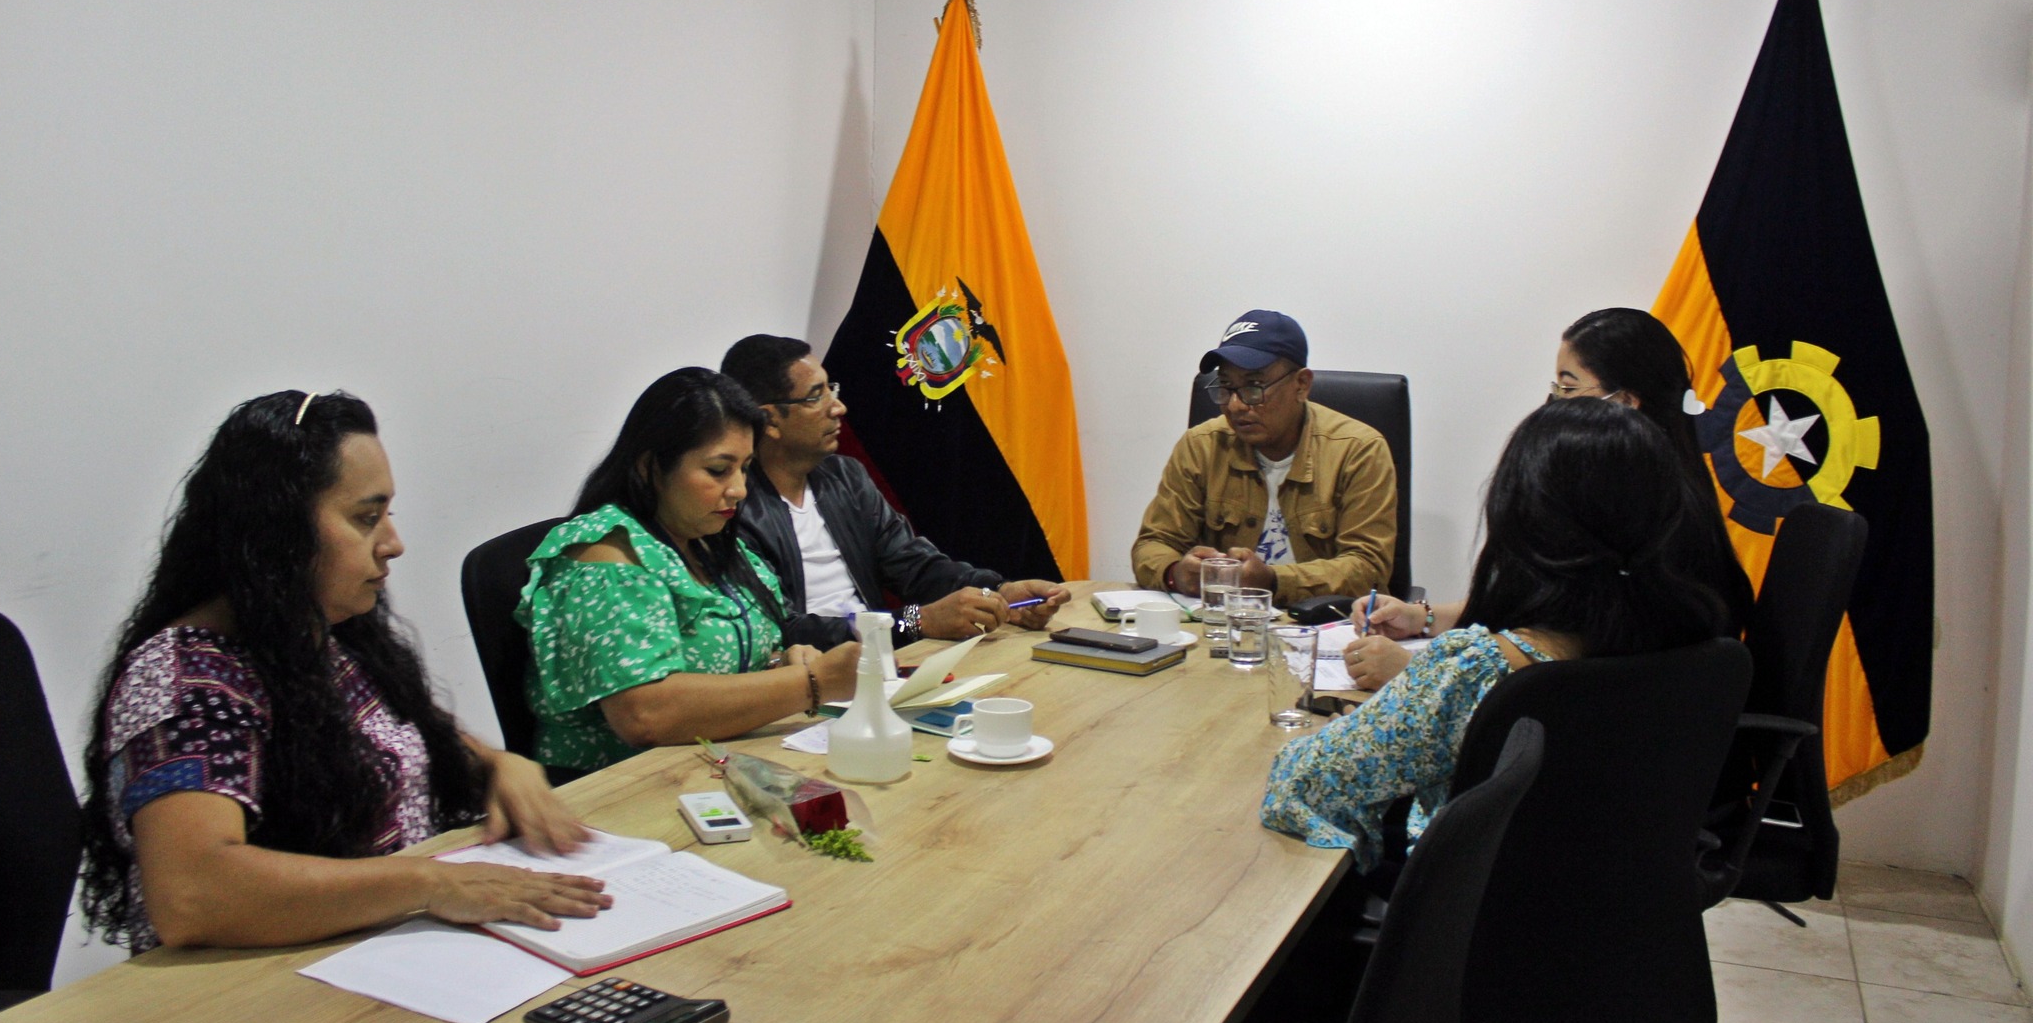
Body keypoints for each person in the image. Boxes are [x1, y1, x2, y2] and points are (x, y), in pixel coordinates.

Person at [80, 391, 607, 955]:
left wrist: (498, 763)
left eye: (387, 516)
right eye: (365, 518)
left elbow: (388, 734)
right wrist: (430, 884)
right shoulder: (186, 679)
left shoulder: (317, 631)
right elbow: (193, 894)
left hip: (379, 945)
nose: (393, 544)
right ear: (278, 532)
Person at [1260, 396, 1731, 862]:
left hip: (1471, 905)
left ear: (1521, 518)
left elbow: (1299, 784)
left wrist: (1360, 726)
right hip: (1631, 900)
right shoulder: (1697, 645)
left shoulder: (1477, 672)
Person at [1340, 307, 1756, 690]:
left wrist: (1419, 676)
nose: (1552, 405)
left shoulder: (1654, 524)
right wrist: (1424, 617)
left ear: (1624, 404)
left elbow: (1571, 654)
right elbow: (1541, 605)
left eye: (1568, 388)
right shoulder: (1636, 493)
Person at [516, 368, 861, 775]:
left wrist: (782, 664)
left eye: (745, 467)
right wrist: (811, 683)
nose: (739, 489)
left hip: (717, 766)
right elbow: (644, 713)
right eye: (718, 470)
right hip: (618, 788)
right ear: (650, 467)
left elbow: (730, 659)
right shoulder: (607, 554)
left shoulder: (705, 537)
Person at [720, 335, 1069, 646]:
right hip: (813, 675)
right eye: (816, 396)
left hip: (879, 660)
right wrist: (916, 621)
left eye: (831, 390)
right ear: (769, 420)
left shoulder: (845, 477)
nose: (838, 407)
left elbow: (914, 565)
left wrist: (999, 592)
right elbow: (781, 631)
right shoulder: (731, 506)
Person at [1130, 310, 1396, 603]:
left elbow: (1368, 568)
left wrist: (1273, 581)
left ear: (1301, 385)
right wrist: (1175, 573)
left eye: (1253, 387)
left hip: (1321, 623)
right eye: (1226, 387)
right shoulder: (1201, 446)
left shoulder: (1358, 449)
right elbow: (1153, 544)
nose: (1235, 405)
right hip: (1222, 620)